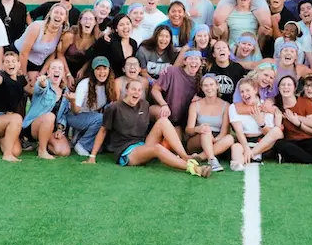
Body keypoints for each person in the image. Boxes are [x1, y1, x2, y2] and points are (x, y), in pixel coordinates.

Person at [82, 79, 211, 178]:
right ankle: (194, 169)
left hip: (142, 144)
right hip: (127, 151)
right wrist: (92, 156)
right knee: (157, 148)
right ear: (126, 90)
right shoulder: (114, 108)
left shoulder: (144, 104)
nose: (137, 93)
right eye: (133, 89)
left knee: (163, 121)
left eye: (140, 90)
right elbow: (103, 130)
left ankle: (185, 156)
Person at [66, 56, 116, 156]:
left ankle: (79, 136)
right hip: (75, 115)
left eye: (104, 68)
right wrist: (72, 101)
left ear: (109, 70)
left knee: (108, 113)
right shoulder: (85, 84)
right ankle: (82, 145)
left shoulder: (109, 84)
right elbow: (76, 110)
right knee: (100, 118)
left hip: (90, 115)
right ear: (93, 71)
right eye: (98, 69)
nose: (102, 72)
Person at [229, 78, 283, 170]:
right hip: (245, 141)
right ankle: (242, 161)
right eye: (242, 92)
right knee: (236, 147)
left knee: (277, 131)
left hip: (262, 141)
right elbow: (239, 132)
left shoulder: (265, 106)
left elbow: (270, 134)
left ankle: (249, 156)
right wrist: (246, 148)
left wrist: (261, 123)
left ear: (255, 90)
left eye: (247, 90)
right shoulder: (233, 107)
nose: (244, 94)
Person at [21, 59, 71, 159]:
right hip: (34, 126)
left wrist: (60, 129)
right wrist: (42, 83)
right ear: (48, 71)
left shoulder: (66, 91)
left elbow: (64, 113)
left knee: (63, 151)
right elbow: (38, 88)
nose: (56, 70)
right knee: (50, 116)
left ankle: (41, 143)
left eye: (60, 68)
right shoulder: (45, 83)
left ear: (64, 73)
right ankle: (42, 151)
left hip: (52, 128)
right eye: (53, 68)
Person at [274, 75, 312, 164]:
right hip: (291, 142)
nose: (286, 87)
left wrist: (297, 123)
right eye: (283, 85)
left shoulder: (305, 102)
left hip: (308, 141)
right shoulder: (277, 104)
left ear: (294, 88)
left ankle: (292, 157)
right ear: (279, 88)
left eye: (289, 85)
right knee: (280, 144)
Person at [185, 74, 234, 172]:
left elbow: (224, 133)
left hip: (216, 140)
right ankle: (212, 159)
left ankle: (199, 157)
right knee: (206, 129)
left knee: (230, 138)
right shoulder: (195, 105)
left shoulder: (226, 106)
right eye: (205, 85)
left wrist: (212, 140)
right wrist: (197, 129)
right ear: (202, 88)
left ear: (217, 86)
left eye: (211, 84)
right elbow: (188, 130)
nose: (209, 88)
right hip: (198, 138)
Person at [150, 50, 203, 139]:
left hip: (179, 121)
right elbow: (155, 90)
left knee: (174, 141)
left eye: (197, 59)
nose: (194, 61)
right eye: (191, 59)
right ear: (184, 61)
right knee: (162, 113)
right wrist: (164, 104)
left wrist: (200, 99)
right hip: (164, 111)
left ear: (201, 63)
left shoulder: (201, 80)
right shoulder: (172, 71)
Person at [14, 3, 68, 84]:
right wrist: (24, 76)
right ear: (50, 14)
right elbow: (23, 53)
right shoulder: (36, 27)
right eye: (56, 12)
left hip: (36, 64)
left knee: (37, 85)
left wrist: (42, 73)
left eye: (61, 14)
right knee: (25, 86)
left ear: (65, 18)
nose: (58, 15)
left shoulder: (62, 32)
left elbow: (53, 54)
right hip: (18, 57)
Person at [0, 52, 27, 162]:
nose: (10, 64)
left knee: (16, 151)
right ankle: (7, 155)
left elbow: (31, 90)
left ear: (18, 64)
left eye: (13, 61)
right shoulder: (2, 78)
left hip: (5, 121)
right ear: (3, 66)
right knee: (16, 118)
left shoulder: (21, 80)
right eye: (6, 62)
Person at [86, 13, 138, 78]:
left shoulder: (134, 43)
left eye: (128, 23)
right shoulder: (108, 40)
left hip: (126, 78)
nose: (125, 27)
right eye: (121, 25)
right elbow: (90, 53)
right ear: (116, 29)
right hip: (109, 78)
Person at [58, 9, 100, 89]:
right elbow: (60, 54)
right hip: (66, 66)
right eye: (85, 18)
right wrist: (68, 74)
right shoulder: (71, 35)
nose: (88, 21)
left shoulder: (96, 39)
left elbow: (93, 57)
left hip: (83, 70)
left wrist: (84, 68)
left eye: (91, 19)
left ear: (95, 23)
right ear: (80, 21)